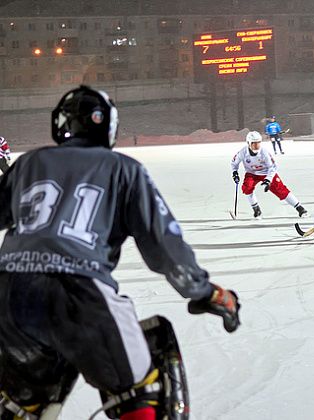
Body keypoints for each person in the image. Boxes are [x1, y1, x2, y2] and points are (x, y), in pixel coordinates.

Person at [0, 85, 241, 420]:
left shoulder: (28, 163)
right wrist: (208, 292)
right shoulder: (123, 169)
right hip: (78, 293)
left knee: (22, 401)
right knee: (141, 385)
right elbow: (163, 246)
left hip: (8, 295)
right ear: (107, 125)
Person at [231, 131, 307, 219]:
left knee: (280, 189)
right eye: (254, 143)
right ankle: (256, 210)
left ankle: (300, 208)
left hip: (267, 172)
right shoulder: (243, 152)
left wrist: (268, 180)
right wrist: (235, 173)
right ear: (248, 143)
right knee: (247, 187)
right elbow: (234, 163)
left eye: (258, 143)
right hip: (252, 173)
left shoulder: (264, 152)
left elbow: (273, 167)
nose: (256, 146)